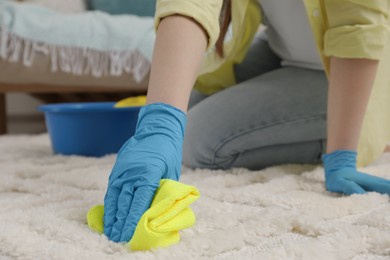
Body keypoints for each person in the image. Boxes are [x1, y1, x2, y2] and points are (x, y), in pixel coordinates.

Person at [102, 0, 390, 243]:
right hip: (284, 50)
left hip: (356, 68)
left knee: (200, 140)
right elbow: (190, 4)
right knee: (187, 104)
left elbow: (360, 26)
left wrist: (342, 154)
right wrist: (160, 121)